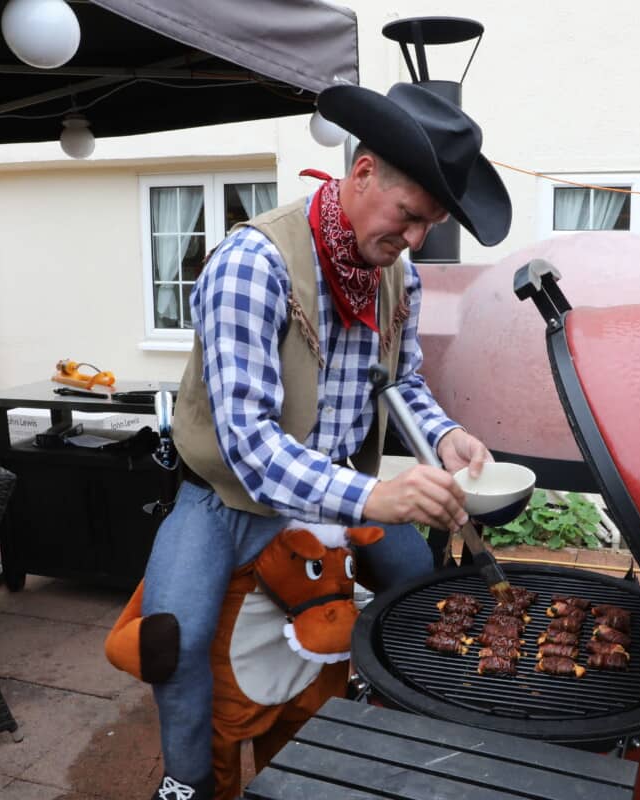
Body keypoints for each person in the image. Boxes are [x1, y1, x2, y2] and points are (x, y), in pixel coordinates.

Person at [137, 82, 513, 800]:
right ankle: (186, 784)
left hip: (338, 494)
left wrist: (447, 437)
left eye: (427, 226)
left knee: (430, 595)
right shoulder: (254, 264)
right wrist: (377, 495)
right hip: (230, 500)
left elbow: (402, 384)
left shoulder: (397, 275)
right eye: (408, 216)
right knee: (172, 642)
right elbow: (247, 444)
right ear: (363, 171)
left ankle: (398, 747)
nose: (411, 241)